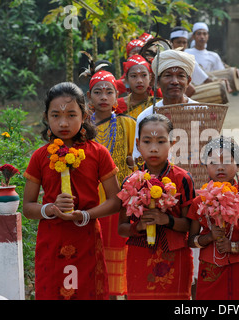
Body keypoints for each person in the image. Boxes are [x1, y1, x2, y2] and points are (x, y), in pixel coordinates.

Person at [22, 82, 121, 300]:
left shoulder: (98, 153)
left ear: (85, 116)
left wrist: (86, 215)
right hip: (51, 238)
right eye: (56, 115)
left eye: (71, 115)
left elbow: (116, 201)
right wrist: (49, 209)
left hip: (86, 236)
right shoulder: (40, 156)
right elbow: (28, 207)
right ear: (46, 117)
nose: (63, 122)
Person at [118, 114, 195, 299]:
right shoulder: (130, 182)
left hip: (174, 256)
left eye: (161, 142)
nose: (153, 149)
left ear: (172, 143)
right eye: (147, 141)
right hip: (140, 254)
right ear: (138, 144)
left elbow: (191, 226)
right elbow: (121, 228)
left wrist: (167, 220)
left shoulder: (182, 178)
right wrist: (139, 226)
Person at [187, 136, 239, 300]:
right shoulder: (198, 202)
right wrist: (209, 237)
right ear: (205, 166)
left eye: (227, 161)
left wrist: (234, 246)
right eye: (213, 162)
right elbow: (191, 240)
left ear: (238, 165)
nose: (220, 167)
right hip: (210, 268)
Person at [87, 69, 136, 298]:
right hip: (90, 201)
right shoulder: (82, 128)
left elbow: (139, 159)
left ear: (117, 98)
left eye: (109, 92)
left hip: (120, 201)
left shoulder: (128, 125)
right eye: (98, 92)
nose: (103, 97)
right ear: (90, 98)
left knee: (123, 255)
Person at [132, 49, 197, 162]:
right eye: (168, 75)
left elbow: (212, 155)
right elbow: (138, 157)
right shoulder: (146, 116)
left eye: (181, 76)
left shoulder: (201, 112)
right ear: (157, 82)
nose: (175, 81)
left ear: (188, 81)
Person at [169, 26, 212, 97]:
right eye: (178, 42)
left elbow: (204, 79)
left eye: (184, 43)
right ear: (171, 43)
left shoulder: (190, 61)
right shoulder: (164, 58)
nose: (182, 46)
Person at [116, 55, 153, 119]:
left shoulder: (157, 103)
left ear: (150, 77)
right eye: (133, 76)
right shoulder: (118, 106)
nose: (139, 81)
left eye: (144, 75)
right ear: (126, 80)